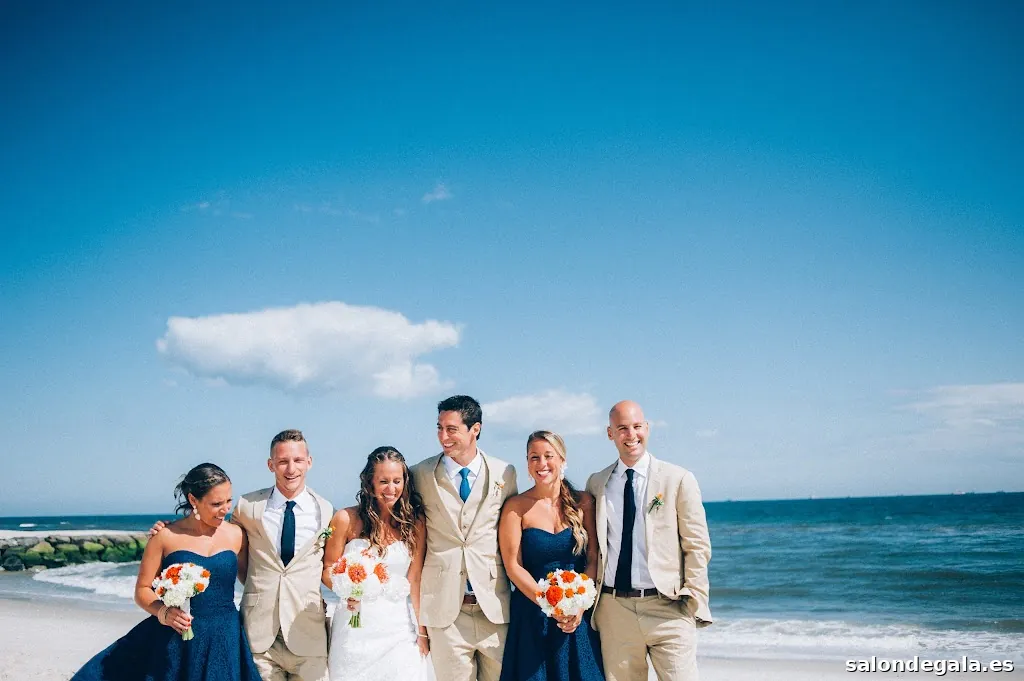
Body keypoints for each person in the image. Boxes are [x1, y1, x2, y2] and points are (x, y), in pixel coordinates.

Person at [72, 463, 262, 681]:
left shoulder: (237, 535)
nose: (225, 509)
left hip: (224, 637)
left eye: (229, 500)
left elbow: (253, 581)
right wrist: (164, 613)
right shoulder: (165, 536)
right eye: (216, 503)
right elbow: (143, 590)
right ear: (193, 500)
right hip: (175, 639)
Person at [585, 401, 712, 681]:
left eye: (637, 426)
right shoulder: (597, 483)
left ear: (647, 428)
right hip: (614, 610)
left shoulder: (678, 479)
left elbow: (697, 545)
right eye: (622, 428)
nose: (631, 435)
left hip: (668, 606)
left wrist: (694, 598)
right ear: (610, 433)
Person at [410, 395, 518, 681]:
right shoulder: (419, 474)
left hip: (494, 607)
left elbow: (513, 534)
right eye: (439, 428)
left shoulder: (505, 473)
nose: (443, 437)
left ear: (475, 429)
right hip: (445, 612)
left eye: (451, 429)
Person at [498, 431, 605, 681]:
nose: (542, 463)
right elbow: (513, 566)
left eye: (549, 456)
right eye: (534, 457)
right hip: (532, 615)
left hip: (576, 617)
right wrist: (548, 602)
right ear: (527, 463)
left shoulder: (584, 502)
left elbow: (593, 558)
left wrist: (578, 607)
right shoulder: (516, 507)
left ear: (562, 460)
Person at [322, 446, 433, 681]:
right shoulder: (345, 519)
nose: (391, 489)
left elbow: (414, 579)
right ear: (370, 483)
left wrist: (422, 632)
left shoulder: (415, 523)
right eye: (383, 481)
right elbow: (328, 568)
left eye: (397, 481)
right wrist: (348, 589)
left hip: (398, 627)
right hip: (354, 627)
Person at [232, 429, 334, 681]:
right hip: (259, 633)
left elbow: (331, 565)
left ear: (309, 462)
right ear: (271, 465)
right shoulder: (247, 506)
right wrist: (171, 531)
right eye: (282, 461)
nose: (291, 469)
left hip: (307, 631)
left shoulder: (326, 510)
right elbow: (226, 548)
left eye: (298, 460)